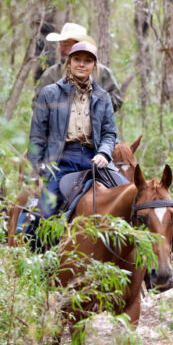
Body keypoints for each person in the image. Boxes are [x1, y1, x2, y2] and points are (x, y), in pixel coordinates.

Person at [28, 41, 123, 224]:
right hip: (60, 160)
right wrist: (36, 171)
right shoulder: (50, 93)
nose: (82, 64)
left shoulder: (103, 97)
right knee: (43, 216)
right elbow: (38, 136)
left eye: (87, 61)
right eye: (77, 59)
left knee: (129, 197)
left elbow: (109, 133)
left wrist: (104, 152)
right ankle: (31, 247)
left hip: (94, 159)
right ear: (69, 63)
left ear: (94, 66)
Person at [35, 22, 124, 112]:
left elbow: (116, 100)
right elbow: (37, 104)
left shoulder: (102, 72)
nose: (62, 49)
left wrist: (95, 107)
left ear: (80, 46)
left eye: (66, 44)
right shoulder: (51, 74)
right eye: (61, 44)